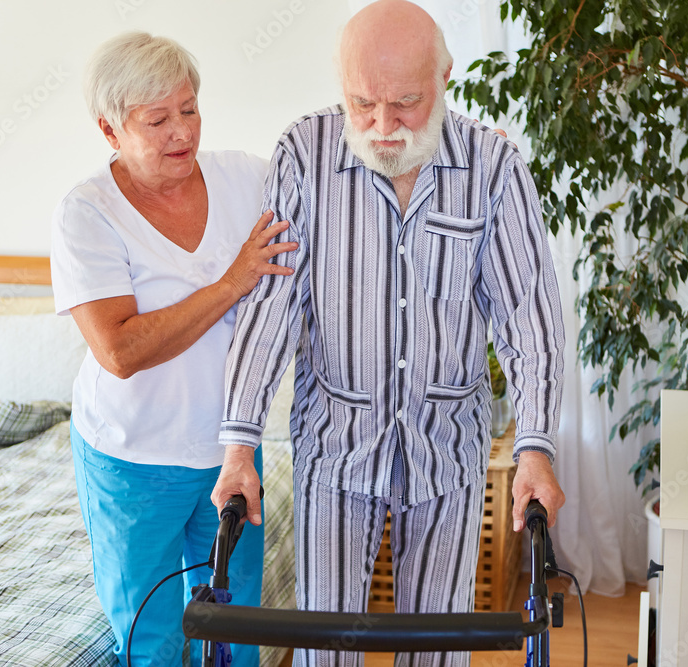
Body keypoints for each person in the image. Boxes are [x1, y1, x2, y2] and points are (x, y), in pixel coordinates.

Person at [212, 1, 567, 665]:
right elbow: (272, 305)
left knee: (436, 649)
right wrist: (240, 444)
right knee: (326, 649)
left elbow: (530, 317)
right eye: (362, 103)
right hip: (335, 448)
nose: (382, 126)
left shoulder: (493, 169)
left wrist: (536, 448)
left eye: (405, 103)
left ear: (445, 77)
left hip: (448, 450)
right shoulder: (303, 155)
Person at [50, 32, 297, 667]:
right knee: (150, 638)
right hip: (132, 460)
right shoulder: (87, 214)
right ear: (110, 130)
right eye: (156, 120)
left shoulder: (245, 178)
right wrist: (233, 281)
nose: (180, 131)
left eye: (188, 109)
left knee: (235, 628)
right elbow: (122, 350)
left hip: (230, 455)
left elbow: (330, 206)